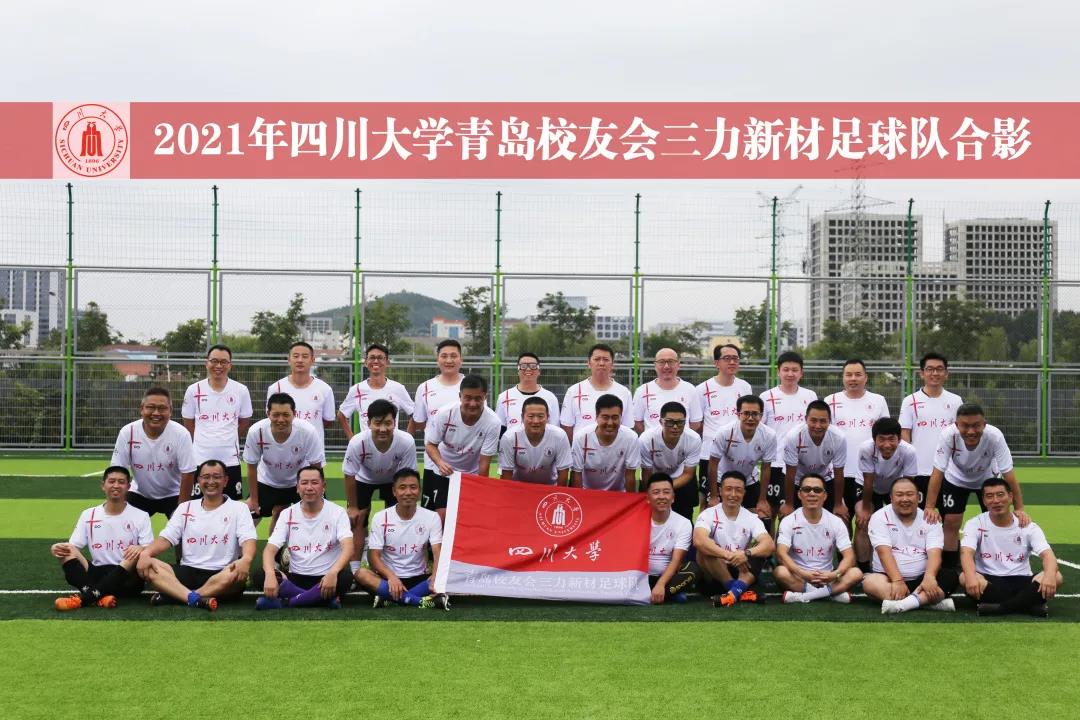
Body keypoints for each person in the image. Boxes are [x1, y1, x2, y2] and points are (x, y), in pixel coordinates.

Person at [136, 460, 258, 611]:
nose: (211, 482)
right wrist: (146, 553)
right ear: (198, 480)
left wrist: (246, 559)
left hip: (222, 572)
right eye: (206, 477)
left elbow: (248, 539)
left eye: (216, 477)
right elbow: (166, 538)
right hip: (188, 571)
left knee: (235, 575)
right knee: (150, 566)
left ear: (225, 481)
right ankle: (194, 598)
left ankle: (178, 595)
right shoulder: (185, 507)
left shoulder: (239, 508)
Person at [924, 403, 1027, 569]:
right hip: (956, 479)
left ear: (984, 424)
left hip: (987, 479)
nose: (971, 431)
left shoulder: (995, 436)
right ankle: (950, 568)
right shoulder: (948, 435)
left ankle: (996, 563)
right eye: (965, 426)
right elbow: (937, 472)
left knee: (997, 519)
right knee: (951, 521)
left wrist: (1019, 508)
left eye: (976, 425)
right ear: (956, 425)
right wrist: (930, 506)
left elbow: (1009, 475)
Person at [51, 466, 152, 611]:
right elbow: (73, 546)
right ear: (103, 485)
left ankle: (85, 599)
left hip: (127, 578)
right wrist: (56, 548)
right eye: (111, 481)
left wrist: (141, 548)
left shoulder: (141, 515)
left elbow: (149, 550)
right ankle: (100, 597)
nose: (116, 485)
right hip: (97, 574)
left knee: (135, 553)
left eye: (121, 482)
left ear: (128, 487)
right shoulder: (88, 514)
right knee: (66, 550)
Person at [255, 466, 354, 610]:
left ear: (324, 486)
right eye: (304, 483)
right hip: (296, 578)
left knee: (345, 578)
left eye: (314, 482)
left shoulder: (337, 512)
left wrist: (333, 573)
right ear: (297, 488)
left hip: (326, 578)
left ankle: (286, 602)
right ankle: (322, 600)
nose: (309, 488)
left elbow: (348, 547)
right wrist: (270, 574)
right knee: (260, 575)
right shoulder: (287, 514)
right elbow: (270, 549)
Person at [961, 478, 1062, 617]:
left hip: (1022, 579)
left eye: (1000, 495)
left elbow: (1048, 556)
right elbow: (966, 553)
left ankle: (1001, 608)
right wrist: (971, 577)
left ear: (1010, 497)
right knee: (964, 577)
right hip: (989, 580)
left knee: (1056, 576)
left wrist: (1050, 576)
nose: (996, 500)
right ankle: (1029, 604)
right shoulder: (975, 523)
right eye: (989, 496)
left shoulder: (1028, 526)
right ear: (984, 501)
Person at [354, 469, 448, 610]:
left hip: (419, 578)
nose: (408, 492)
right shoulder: (381, 517)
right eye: (402, 488)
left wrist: (435, 576)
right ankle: (420, 601)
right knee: (361, 573)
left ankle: (391, 599)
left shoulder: (432, 517)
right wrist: (391, 577)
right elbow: (373, 557)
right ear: (394, 491)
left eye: (413, 487)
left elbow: (437, 552)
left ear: (419, 490)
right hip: (388, 579)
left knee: (447, 574)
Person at [342, 398, 418, 573]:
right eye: (377, 423)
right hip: (363, 479)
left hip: (393, 480)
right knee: (358, 518)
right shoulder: (357, 442)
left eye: (388, 423)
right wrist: (352, 507)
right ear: (369, 423)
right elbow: (349, 474)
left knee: (396, 519)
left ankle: (392, 565)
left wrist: (406, 503)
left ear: (395, 423)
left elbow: (407, 476)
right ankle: (355, 570)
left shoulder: (406, 441)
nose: (383, 429)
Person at [863, 477, 958, 614]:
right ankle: (926, 601)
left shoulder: (930, 518)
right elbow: (884, 553)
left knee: (950, 576)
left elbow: (935, 554)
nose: (905, 499)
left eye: (909, 494)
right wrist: (897, 580)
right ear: (891, 498)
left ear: (918, 497)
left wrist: (929, 577)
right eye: (899, 495)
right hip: (889, 579)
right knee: (869, 582)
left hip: (922, 579)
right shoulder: (879, 517)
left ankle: (902, 604)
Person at [243, 392, 324, 533]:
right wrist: (254, 500)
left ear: (294, 414)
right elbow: (251, 467)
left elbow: (316, 467)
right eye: (276, 415)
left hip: (298, 483)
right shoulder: (256, 431)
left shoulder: (308, 431)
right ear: (268, 414)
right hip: (267, 481)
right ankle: (236, 547)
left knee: (314, 517)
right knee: (248, 515)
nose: (281, 419)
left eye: (286, 415)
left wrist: (318, 496)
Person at [775, 473, 863, 603]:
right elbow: (781, 554)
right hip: (799, 576)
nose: (812, 493)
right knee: (780, 572)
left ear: (825, 495)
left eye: (817, 490)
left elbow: (849, 556)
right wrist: (802, 574)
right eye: (806, 489)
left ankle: (805, 596)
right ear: (799, 494)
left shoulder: (835, 522)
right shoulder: (789, 521)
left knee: (856, 573)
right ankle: (831, 593)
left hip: (828, 577)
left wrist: (835, 574)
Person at [111, 386, 196, 518]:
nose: (156, 413)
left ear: (170, 411)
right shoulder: (127, 432)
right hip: (140, 494)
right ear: (142, 409)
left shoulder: (181, 434)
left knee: (185, 527)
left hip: (174, 494)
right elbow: (117, 471)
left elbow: (188, 473)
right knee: (120, 523)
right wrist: (116, 505)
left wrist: (182, 510)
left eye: (162, 408)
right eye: (150, 407)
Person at [424, 374, 501, 519]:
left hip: (472, 476)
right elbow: (431, 445)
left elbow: (484, 463)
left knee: (469, 516)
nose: (472, 403)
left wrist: (481, 488)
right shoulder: (445, 413)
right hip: (444, 473)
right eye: (468, 398)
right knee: (442, 516)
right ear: (460, 396)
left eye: (478, 398)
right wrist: (440, 463)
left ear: (485, 397)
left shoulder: (493, 422)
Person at [693, 470, 776, 607]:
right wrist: (729, 555)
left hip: (741, 570)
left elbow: (769, 544)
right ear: (720, 491)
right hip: (716, 572)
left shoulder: (751, 517)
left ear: (744, 493)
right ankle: (737, 590)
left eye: (738, 490)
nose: (733, 494)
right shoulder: (708, 514)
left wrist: (746, 553)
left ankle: (731, 595)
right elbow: (698, 540)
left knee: (760, 552)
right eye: (728, 489)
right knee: (704, 549)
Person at [181, 343, 253, 500]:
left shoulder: (241, 390)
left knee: (231, 506)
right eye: (214, 361)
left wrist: (229, 438)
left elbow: (244, 421)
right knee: (198, 506)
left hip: (230, 460)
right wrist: (202, 440)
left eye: (223, 362)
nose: (218, 366)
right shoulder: (193, 390)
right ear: (206, 363)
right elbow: (188, 422)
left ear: (230, 365)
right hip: (200, 459)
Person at [822, 359, 889, 524]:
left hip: (869, 474)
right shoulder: (830, 401)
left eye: (858, 374)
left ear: (866, 377)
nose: (853, 378)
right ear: (843, 377)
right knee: (839, 522)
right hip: (837, 474)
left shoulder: (878, 401)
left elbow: (886, 436)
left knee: (865, 523)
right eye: (849, 374)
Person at [855, 418, 919, 568]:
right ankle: (863, 569)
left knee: (902, 519)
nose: (887, 445)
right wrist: (865, 509)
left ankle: (903, 563)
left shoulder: (909, 451)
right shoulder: (866, 449)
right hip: (867, 486)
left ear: (899, 439)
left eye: (891, 439)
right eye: (882, 439)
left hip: (895, 486)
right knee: (863, 522)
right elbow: (868, 481)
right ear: (874, 439)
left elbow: (908, 484)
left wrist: (903, 504)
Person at [760, 351, 817, 517]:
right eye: (786, 370)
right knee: (770, 512)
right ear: (778, 371)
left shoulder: (810, 396)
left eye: (794, 370)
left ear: (801, 373)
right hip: (776, 464)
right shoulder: (766, 397)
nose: (790, 374)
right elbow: (760, 431)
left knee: (798, 513)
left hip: (802, 465)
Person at [695, 343, 752, 510]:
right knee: (707, 502)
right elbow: (698, 422)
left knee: (738, 499)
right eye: (727, 358)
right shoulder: (702, 389)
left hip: (738, 454)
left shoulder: (745, 387)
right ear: (716, 363)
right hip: (710, 454)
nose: (732, 362)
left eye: (735, 358)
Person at [899, 352, 962, 502]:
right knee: (920, 515)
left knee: (950, 514)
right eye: (930, 369)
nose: (935, 373)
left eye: (939, 369)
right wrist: (909, 464)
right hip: (920, 470)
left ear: (946, 373)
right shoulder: (910, 401)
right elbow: (904, 434)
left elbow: (961, 434)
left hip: (949, 471)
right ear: (922, 373)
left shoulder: (956, 401)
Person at [705, 395, 775, 522]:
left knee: (762, 516)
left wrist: (762, 499)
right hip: (722, 479)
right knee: (715, 517)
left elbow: (766, 468)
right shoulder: (724, 432)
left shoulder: (769, 435)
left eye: (755, 414)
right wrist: (714, 496)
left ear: (761, 415)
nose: (750, 418)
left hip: (749, 480)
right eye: (746, 413)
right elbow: (713, 464)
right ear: (738, 414)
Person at [409, 338, 466, 487]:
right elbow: (420, 422)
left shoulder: (471, 386)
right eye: (444, 356)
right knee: (434, 503)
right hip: (433, 463)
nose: (449, 360)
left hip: (466, 465)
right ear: (437, 360)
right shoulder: (425, 388)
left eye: (453, 356)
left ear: (461, 360)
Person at [266, 341, 335, 463]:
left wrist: (307, 431)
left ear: (313, 360)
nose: (300, 360)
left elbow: (328, 421)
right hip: (283, 456)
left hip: (312, 456)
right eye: (296, 356)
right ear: (289, 360)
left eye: (305, 356)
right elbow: (271, 419)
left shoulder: (325, 389)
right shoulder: (276, 388)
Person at [781, 400, 848, 521]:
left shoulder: (839, 438)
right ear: (806, 419)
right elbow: (790, 474)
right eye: (813, 420)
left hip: (825, 478)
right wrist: (789, 504)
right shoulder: (793, 436)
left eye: (823, 421)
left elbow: (839, 473)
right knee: (787, 518)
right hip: (797, 480)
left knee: (841, 518)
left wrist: (838, 504)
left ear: (829, 421)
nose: (818, 426)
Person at [336, 343, 415, 441]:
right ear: (366, 362)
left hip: (392, 447)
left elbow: (415, 415)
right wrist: (352, 440)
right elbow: (341, 415)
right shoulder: (357, 389)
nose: (376, 361)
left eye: (380, 358)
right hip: (367, 447)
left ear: (387, 362)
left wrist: (407, 439)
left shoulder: (398, 388)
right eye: (372, 357)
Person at [638, 401, 701, 518]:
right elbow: (646, 472)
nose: (675, 427)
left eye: (680, 422)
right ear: (661, 422)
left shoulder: (694, 439)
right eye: (670, 422)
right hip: (653, 480)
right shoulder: (646, 440)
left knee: (685, 517)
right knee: (649, 518)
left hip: (680, 479)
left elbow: (688, 473)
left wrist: (667, 487)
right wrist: (656, 490)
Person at [644, 474, 698, 604]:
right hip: (641, 577)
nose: (661, 496)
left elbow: (677, 560)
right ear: (648, 498)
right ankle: (669, 593)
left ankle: (659, 592)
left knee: (694, 569)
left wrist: (661, 584)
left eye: (666, 492)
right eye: (656, 492)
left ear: (673, 497)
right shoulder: (637, 520)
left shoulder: (684, 523)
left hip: (668, 577)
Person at [560, 343, 633, 439]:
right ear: (589, 363)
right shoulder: (573, 391)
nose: (601, 363)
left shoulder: (624, 392)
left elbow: (628, 427)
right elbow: (567, 426)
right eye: (597, 359)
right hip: (583, 448)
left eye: (606, 359)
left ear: (612, 364)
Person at [570, 394, 641, 492]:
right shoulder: (581, 438)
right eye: (605, 417)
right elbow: (576, 475)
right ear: (596, 417)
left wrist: (630, 500)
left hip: (618, 494)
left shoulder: (631, 438)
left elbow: (630, 476)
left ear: (621, 417)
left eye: (615, 417)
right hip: (589, 493)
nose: (610, 423)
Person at [499, 396, 572, 485]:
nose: (536, 421)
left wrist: (557, 493)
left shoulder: (560, 436)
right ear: (522, 417)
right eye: (531, 416)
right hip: (517, 488)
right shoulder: (509, 437)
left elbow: (563, 472)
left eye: (540, 416)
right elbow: (506, 474)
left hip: (549, 488)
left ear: (548, 417)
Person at [632, 348, 703, 434]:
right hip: (653, 442)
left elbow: (695, 423)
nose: (666, 366)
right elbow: (637, 423)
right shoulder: (642, 391)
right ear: (655, 365)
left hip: (682, 442)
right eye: (661, 362)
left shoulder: (690, 390)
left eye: (670, 361)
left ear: (678, 365)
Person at [494, 352, 560, 432]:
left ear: (539, 371)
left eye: (533, 366)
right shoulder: (504, 397)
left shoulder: (550, 397)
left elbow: (555, 429)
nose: (528, 369)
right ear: (518, 371)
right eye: (523, 366)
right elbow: (500, 428)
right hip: (514, 440)